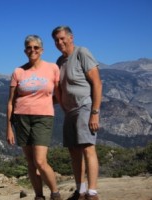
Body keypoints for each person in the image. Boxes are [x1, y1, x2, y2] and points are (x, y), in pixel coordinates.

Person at [6, 35, 62, 200]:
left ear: (42, 50)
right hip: (21, 118)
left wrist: (44, 103)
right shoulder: (18, 71)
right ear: (25, 51)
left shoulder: (52, 68)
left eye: (36, 47)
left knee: (40, 161)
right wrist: (9, 127)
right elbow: (10, 102)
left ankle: (55, 193)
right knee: (30, 162)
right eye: (29, 48)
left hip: (43, 118)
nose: (33, 50)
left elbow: (59, 95)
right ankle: (39, 196)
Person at [51, 26, 102, 200]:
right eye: (56, 40)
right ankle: (80, 191)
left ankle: (92, 193)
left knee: (87, 148)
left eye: (62, 38)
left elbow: (97, 83)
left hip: (85, 107)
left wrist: (95, 112)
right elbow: (60, 93)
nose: (59, 42)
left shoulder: (82, 52)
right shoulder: (60, 62)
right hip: (69, 111)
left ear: (71, 37)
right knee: (73, 151)